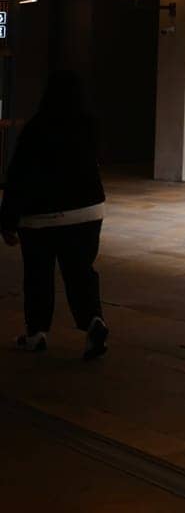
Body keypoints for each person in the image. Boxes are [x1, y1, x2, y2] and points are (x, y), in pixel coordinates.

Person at [1, 70, 110, 359]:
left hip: (42, 217)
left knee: (38, 274)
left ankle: (36, 333)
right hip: (88, 212)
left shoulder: (37, 128)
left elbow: (18, 175)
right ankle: (93, 322)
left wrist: (8, 220)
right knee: (81, 271)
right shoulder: (89, 125)